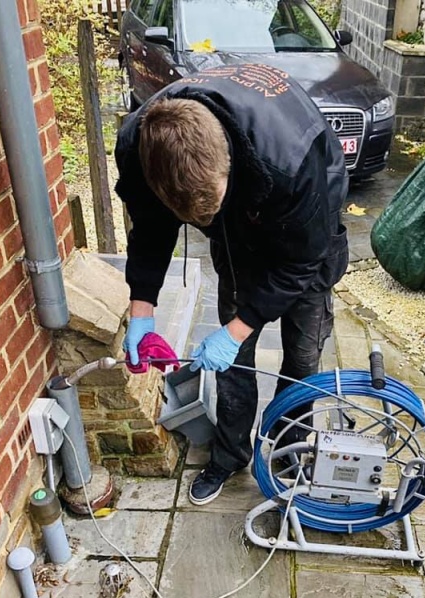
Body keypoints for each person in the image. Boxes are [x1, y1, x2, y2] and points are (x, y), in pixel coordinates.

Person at [114, 62, 349, 505]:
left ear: (231, 166)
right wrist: (141, 308)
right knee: (234, 363)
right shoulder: (137, 145)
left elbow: (301, 263)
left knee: (302, 357)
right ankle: (229, 455)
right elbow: (149, 229)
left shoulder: (290, 161)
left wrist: (236, 329)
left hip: (306, 239)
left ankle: (287, 448)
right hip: (240, 241)